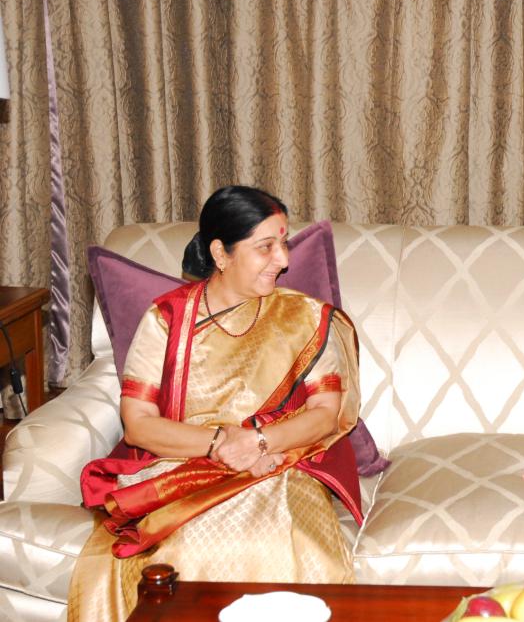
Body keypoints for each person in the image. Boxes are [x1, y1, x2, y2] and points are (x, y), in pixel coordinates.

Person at [69, 186, 363, 621]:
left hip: (281, 464)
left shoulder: (304, 316)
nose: (283, 259)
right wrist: (221, 445)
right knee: (182, 547)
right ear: (221, 254)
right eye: (266, 247)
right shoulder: (166, 319)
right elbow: (138, 426)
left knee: (285, 538)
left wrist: (259, 442)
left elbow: (326, 413)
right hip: (182, 463)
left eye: (282, 243)